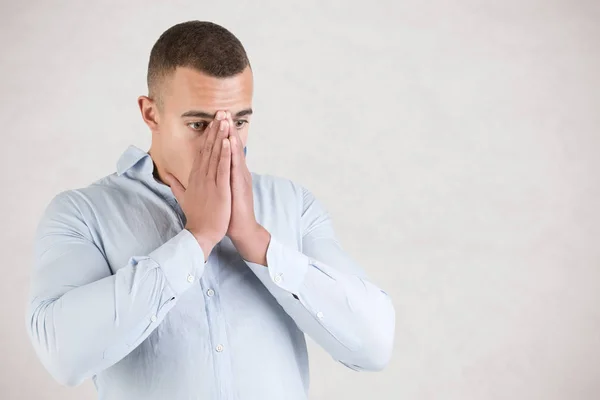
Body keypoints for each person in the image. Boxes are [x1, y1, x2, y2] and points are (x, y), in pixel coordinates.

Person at [26, 20, 395, 400]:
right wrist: (196, 239)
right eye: (200, 124)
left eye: (239, 122)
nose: (224, 141)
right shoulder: (83, 214)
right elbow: (63, 357)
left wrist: (256, 241)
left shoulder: (293, 205)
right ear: (151, 113)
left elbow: (374, 345)